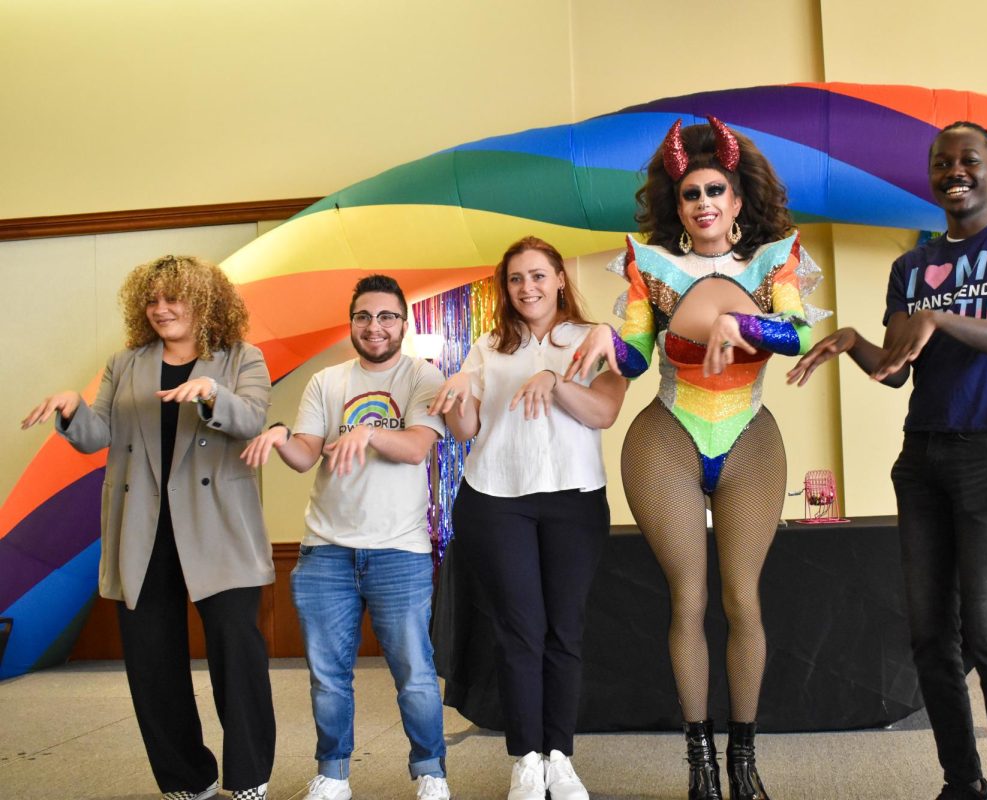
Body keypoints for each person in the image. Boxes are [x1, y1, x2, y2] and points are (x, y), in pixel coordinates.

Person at [788, 121, 987, 800]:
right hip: (922, 458)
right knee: (928, 636)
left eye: (969, 160)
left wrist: (940, 320)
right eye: (942, 163)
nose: (955, 171)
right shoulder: (911, 267)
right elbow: (893, 369)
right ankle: (961, 784)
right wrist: (853, 340)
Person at [567, 117, 825, 800]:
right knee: (690, 596)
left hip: (749, 437)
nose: (704, 202)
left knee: (743, 599)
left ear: (738, 201)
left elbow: (796, 336)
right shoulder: (651, 267)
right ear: (676, 207)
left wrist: (738, 323)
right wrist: (603, 337)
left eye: (716, 190)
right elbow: (635, 355)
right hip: (668, 435)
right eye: (690, 194)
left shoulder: (773, 264)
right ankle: (700, 762)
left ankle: (744, 759)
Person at [22, 255, 275, 800]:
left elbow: (252, 418)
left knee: (237, 650)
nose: (160, 309)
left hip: (219, 526)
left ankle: (250, 776)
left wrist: (210, 392)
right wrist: (72, 411)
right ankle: (187, 777)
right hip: (143, 525)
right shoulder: (126, 362)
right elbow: (97, 435)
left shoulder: (241, 358)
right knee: (152, 661)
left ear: (204, 300)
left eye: (173, 298)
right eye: (152, 300)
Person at [428, 236, 626, 800]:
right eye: (516, 279)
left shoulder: (594, 341)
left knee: (564, 630)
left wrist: (555, 381)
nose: (528, 288)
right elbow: (466, 431)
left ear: (560, 278)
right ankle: (526, 758)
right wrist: (461, 391)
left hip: (574, 498)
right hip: (495, 499)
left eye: (538, 276)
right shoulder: (487, 347)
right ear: (506, 287)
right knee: (519, 631)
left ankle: (560, 756)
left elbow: (605, 412)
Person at [240, 275, 451, 800]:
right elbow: (306, 454)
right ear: (352, 322)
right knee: (327, 676)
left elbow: (417, 447)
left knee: (416, 674)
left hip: (399, 552)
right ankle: (333, 775)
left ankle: (430, 772)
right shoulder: (326, 381)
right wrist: (280, 435)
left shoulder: (424, 376)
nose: (374, 327)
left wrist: (370, 431)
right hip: (325, 552)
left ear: (403, 323)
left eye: (386, 317)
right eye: (364, 317)